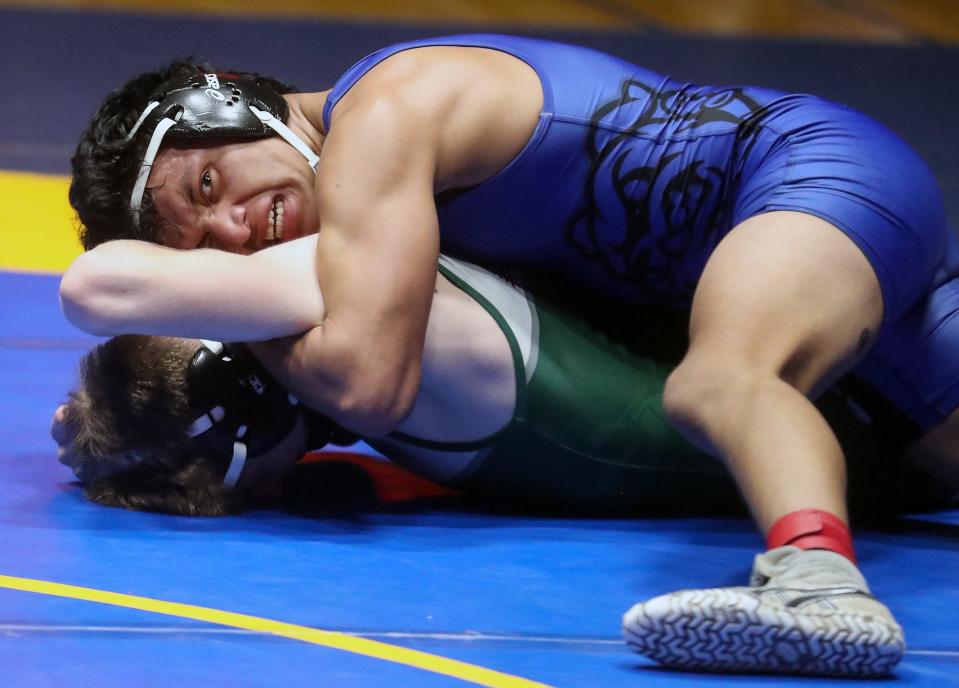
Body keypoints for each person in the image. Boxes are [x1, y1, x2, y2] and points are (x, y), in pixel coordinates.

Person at [61, 36, 958, 676]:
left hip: (799, 181)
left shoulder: (383, 118)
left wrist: (155, 289)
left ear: (232, 103)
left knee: (721, 383)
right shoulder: (365, 201)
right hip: (771, 268)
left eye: (209, 184)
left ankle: (817, 588)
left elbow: (369, 381)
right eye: (204, 246)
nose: (235, 228)